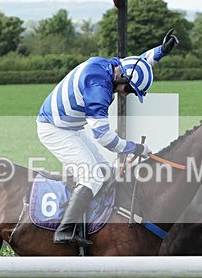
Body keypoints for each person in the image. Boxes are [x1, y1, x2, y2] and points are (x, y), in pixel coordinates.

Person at [36, 29, 180, 246]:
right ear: (122, 77)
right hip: (55, 129)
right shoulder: (98, 88)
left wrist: (161, 51)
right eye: (128, 90)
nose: (125, 93)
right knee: (92, 176)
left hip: (69, 127)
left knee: (104, 172)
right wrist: (135, 148)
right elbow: (105, 139)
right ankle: (65, 230)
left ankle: (88, 219)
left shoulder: (114, 66)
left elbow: (141, 61)